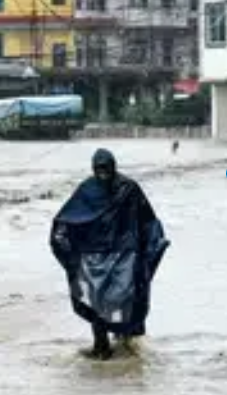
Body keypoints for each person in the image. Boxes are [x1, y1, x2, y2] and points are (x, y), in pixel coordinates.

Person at [50, 149, 170, 360]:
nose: (103, 173)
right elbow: (68, 218)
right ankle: (101, 345)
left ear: (114, 167)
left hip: (125, 253)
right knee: (97, 301)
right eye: (99, 169)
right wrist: (65, 247)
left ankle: (128, 340)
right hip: (94, 255)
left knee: (126, 296)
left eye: (106, 169)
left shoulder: (128, 188)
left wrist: (153, 242)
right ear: (93, 169)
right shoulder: (87, 190)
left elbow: (146, 219)